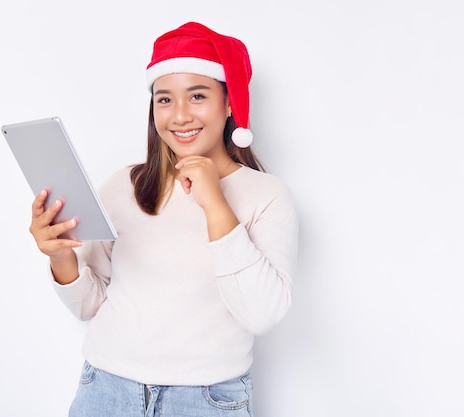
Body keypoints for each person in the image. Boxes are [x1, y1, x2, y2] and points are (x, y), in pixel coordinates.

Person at [29, 21, 298, 417]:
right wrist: (60, 256)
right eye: (164, 100)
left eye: (198, 96)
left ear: (229, 104)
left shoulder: (267, 195)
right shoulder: (124, 185)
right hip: (106, 390)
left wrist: (216, 205)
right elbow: (89, 305)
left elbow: (262, 314)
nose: (179, 115)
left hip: (206, 400)